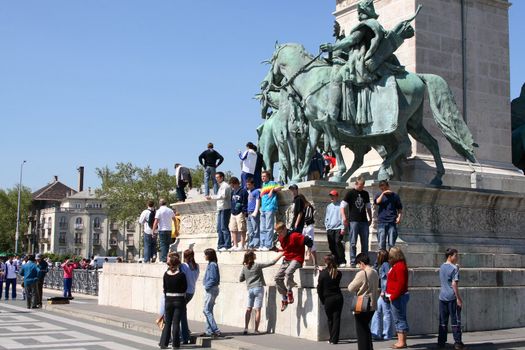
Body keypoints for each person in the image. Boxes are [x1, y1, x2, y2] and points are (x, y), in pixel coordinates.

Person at [239, 251, 283, 334]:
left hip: (250, 289)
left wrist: (249, 276)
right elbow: (272, 262)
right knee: (258, 310)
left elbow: (241, 279)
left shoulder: (244, 267)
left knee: (249, 308)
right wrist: (282, 254)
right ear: (252, 257)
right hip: (258, 287)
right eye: (254, 254)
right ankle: (256, 330)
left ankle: (245, 328)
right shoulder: (257, 265)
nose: (255, 255)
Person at [274, 221, 313, 311]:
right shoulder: (280, 238)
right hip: (287, 259)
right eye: (278, 233)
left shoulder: (295, 236)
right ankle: (284, 298)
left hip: (297, 258)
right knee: (277, 278)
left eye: (280, 232)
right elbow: (287, 249)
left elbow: (309, 241)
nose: (279, 234)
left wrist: (308, 254)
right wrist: (278, 250)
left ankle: (289, 291)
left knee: (288, 272)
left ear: (285, 229)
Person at [348, 253, 379, 350]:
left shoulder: (362, 273)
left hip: (362, 304)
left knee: (361, 331)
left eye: (358, 264)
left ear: (361, 262)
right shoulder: (374, 272)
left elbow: (350, 287)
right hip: (372, 304)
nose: (358, 266)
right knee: (366, 329)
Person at [341, 176, 372, 268]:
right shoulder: (350, 193)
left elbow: (368, 207)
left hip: (363, 221)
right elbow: (342, 206)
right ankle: (353, 261)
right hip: (353, 220)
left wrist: (370, 217)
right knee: (353, 242)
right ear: (356, 184)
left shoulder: (365, 194)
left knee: (365, 242)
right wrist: (344, 217)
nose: (361, 187)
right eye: (360, 185)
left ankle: (364, 261)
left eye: (363, 186)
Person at [438, 248, 465, 350]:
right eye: (456, 256)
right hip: (451, 297)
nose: (457, 258)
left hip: (442, 297)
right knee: (455, 320)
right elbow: (454, 284)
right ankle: (458, 343)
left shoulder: (441, 266)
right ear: (450, 256)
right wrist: (458, 298)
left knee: (443, 321)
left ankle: (441, 342)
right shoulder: (454, 269)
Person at [159, 252, 187, 349]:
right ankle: (175, 345)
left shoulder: (166, 274)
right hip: (179, 299)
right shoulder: (181, 275)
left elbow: (164, 288)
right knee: (176, 323)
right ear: (177, 264)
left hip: (168, 299)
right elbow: (184, 288)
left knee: (168, 323)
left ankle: (164, 343)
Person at [317, 255, 344, 344]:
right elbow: (332, 273)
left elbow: (319, 288)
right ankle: (334, 339)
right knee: (337, 319)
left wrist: (322, 300)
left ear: (326, 262)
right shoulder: (338, 273)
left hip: (328, 298)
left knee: (330, 319)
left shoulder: (323, 274)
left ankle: (331, 338)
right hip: (338, 297)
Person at [386, 246, 409, 349]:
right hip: (397, 295)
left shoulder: (399, 266)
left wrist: (393, 296)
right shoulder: (398, 265)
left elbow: (401, 284)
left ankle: (401, 342)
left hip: (398, 296)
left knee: (399, 319)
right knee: (400, 318)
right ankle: (402, 341)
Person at [371, 249, 395, 341]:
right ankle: (377, 333)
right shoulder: (385, 264)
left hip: (385, 292)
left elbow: (387, 279)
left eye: (378, 255)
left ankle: (385, 334)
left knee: (386, 313)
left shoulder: (385, 265)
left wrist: (383, 291)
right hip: (384, 292)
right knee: (378, 312)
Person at [374, 180, 403, 250]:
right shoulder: (379, 195)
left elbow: (399, 208)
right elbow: (377, 202)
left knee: (391, 244)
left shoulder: (395, 196)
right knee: (381, 243)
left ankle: (390, 258)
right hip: (382, 221)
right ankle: (382, 259)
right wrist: (383, 193)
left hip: (392, 221)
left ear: (388, 186)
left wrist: (399, 217)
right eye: (382, 189)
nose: (384, 190)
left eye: (385, 188)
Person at [207, 172, 232, 252]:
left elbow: (223, 196)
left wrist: (212, 197)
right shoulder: (221, 186)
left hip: (225, 208)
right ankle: (220, 244)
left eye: (218, 177)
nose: (216, 179)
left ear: (222, 177)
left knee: (224, 227)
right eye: (216, 177)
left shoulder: (225, 186)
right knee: (219, 228)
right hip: (220, 208)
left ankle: (227, 244)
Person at [180, 249, 200, 345]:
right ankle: (185, 331)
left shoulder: (184, 266)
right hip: (191, 291)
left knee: (181, 313)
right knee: (182, 312)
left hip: (184, 292)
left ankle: (184, 333)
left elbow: (182, 279)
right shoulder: (197, 266)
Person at [259, 171, 281, 251]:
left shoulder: (272, 183)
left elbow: (280, 187)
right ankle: (262, 244)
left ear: (268, 177)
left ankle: (268, 245)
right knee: (262, 228)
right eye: (262, 176)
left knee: (269, 227)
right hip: (263, 209)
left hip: (270, 207)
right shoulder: (263, 185)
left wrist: (272, 189)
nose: (263, 178)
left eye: (264, 176)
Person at [202, 248, 221, 338]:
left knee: (206, 310)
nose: (204, 256)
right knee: (209, 310)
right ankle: (209, 330)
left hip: (211, 289)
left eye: (206, 254)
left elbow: (213, 278)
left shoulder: (212, 265)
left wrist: (207, 286)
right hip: (211, 288)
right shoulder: (212, 264)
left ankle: (216, 330)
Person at [325, 190, 346, 267]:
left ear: (336, 196)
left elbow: (343, 217)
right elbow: (327, 217)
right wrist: (327, 226)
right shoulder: (329, 206)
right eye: (331, 196)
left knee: (338, 242)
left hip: (338, 228)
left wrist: (343, 227)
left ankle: (342, 260)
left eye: (333, 196)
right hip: (330, 228)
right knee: (331, 245)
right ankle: (335, 261)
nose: (331, 197)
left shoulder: (341, 205)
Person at [229, 177, 248, 251]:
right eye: (231, 185)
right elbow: (231, 201)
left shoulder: (243, 191)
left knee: (242, 229)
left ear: (236, 183)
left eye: (233, 185)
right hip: (233, 213)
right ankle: (235, 244)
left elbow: (245, 202)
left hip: (240, 212)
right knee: (233, 229)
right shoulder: (232, 192)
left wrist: (243, 210)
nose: (232, 187)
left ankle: (242, 245)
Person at [300, 194, 318, 268]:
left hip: (308, 226)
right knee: (302, 243)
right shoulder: (301, 207)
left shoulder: (308, 207)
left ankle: (314, 261)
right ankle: (312, 261)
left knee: (311, 243)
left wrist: (301, 219)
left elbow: (309, 217)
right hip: (303, 227)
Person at [246, 178, 261, 249]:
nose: (247, 186)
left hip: (254, 212)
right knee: (250, 230)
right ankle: (251, 244)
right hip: (249, 213)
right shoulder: (250, 192)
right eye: (247, 184)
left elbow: (258, 201)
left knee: (256, 229)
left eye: (249, 184)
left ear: (252, 184)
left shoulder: (256, 191)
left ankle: (256, 244)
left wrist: (256, 211)